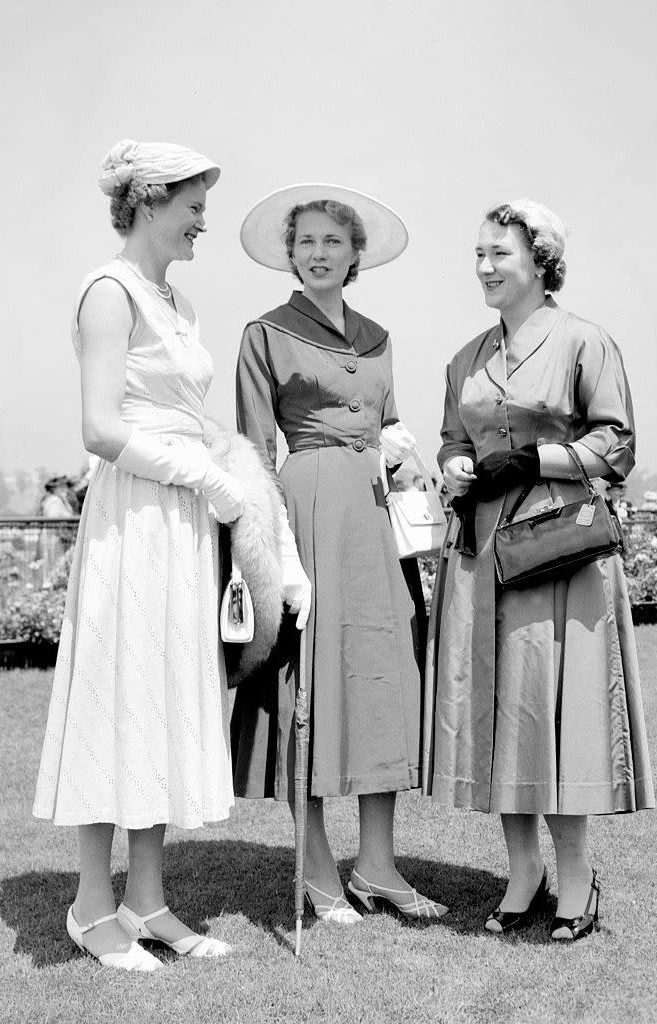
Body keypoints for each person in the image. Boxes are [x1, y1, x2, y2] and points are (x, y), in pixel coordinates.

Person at [33, 140, 248, 971]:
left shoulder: (180, 303)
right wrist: (200, 473)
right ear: (150, 202)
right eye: (193, 204)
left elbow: (189, 415)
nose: (204, 219)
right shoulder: (107, 292)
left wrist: (232, 482)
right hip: (132, 519)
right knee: (115, 691)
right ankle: (91, 908)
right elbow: (100, 427)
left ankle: (147, 900)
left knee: (159, 694)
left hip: (182, 524)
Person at [423, 198, 654, 942]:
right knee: (507, 716)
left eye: (500, 254)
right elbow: (450, 442)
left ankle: (578, 878)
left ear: (539, 261)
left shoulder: (584, 343)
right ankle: (522, 873)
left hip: (561, 549)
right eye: (478, 255)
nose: (485, 268)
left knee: (564, 713)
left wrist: (536, 456)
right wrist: (457, 465)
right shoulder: (464, 358)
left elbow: (613, 447)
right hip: (484, 554)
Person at [231, 184, 447, 924]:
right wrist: (274, 552)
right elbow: (254, 451)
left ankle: (379, 867)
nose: (317, 253)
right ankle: (319, 872)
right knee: (311, 685)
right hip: (308, 510)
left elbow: (386, 419)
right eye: (305, 242)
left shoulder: (380, 336)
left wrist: (400, 452)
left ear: (356, 254)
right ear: (289, 254)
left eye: (331, 241)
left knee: (386, 677)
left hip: (375, 518)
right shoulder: (264, 332)